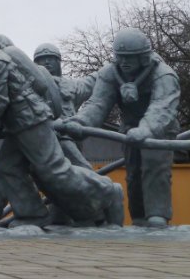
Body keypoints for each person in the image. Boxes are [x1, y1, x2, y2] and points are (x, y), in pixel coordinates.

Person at [0, 24, 123, 233]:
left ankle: (108, 192)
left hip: (31, 121)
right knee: (6, 169)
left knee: (55, 171)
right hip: (19, 123)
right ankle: (21, 215)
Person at [60, 27, 180, 228]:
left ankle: (157, 215)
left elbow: (162, 108)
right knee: (133, 173)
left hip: (159, 130)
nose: (124, 62)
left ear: (143, 57)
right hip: (129, 130)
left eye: (129, 57)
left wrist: (146, 129)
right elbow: (98, 103)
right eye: (120, 57)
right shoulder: (110, 73)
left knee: (154, 167)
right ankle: (139, 217)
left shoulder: (164, 75)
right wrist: (80, 122)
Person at [33, 42, 96, 169]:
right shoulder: (31, 87)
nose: (46, 62)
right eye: (42, 59)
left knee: (81, 170)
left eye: (50, 58)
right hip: (44, 139)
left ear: (58, 62)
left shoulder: (72, 85)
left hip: (70, 136)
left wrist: (111, 69)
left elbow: (92, 81)